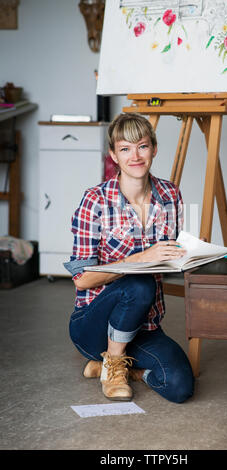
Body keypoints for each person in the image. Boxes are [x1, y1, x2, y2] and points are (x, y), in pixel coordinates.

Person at [64, 113, 195, 403]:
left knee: (180, 386)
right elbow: (82, 279)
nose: (135, 156)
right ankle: (112, 366)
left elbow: (174, 252)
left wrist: (192, 255)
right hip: (92, 326)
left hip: (144, 326)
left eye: (142, 146)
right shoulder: (95, 200)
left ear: (154, 149)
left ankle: (128, 370)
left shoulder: (170, 195)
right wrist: (141, 259)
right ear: (113, 155)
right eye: (125, 149)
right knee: (140, 284)